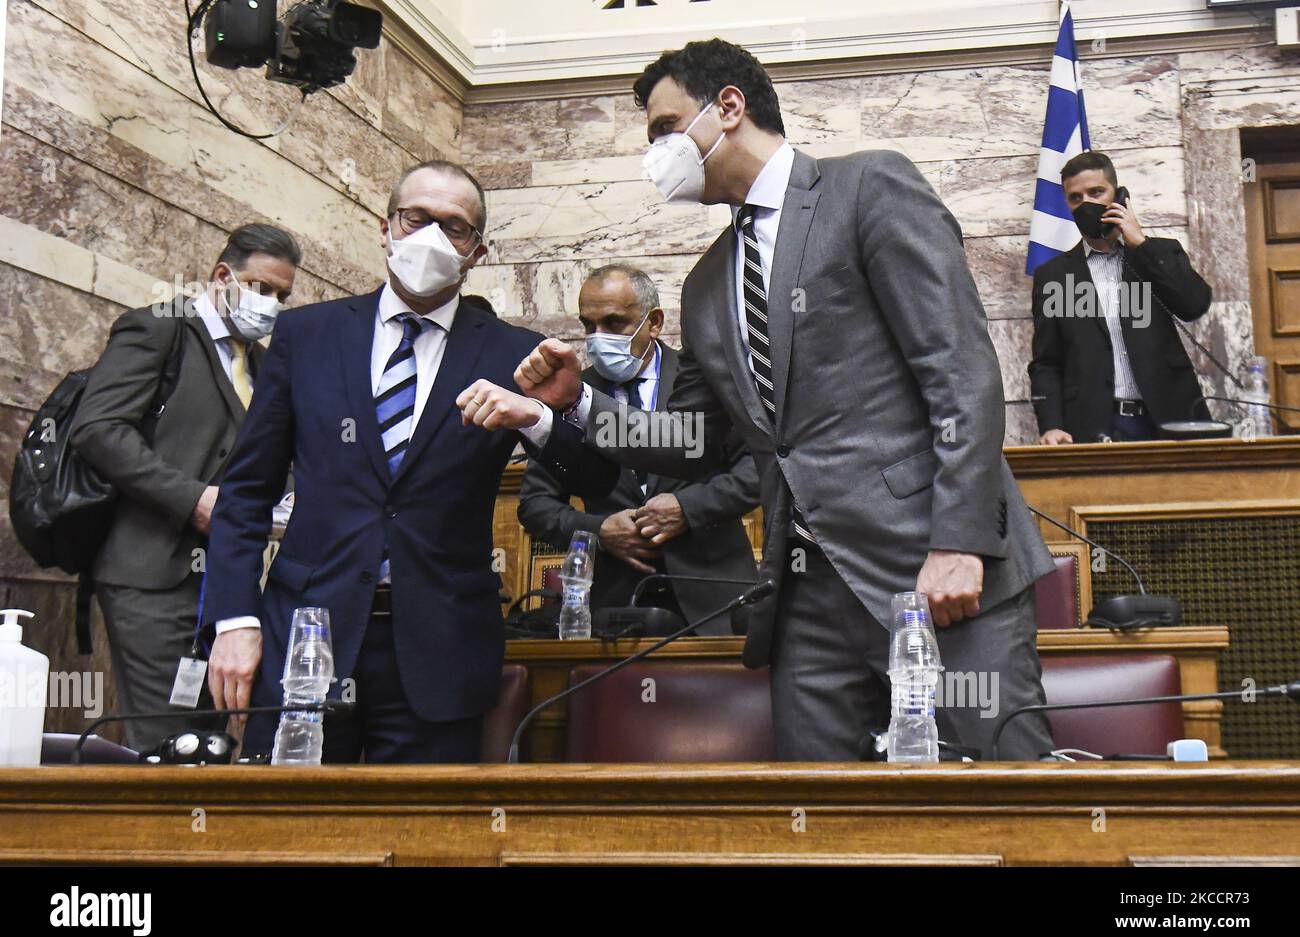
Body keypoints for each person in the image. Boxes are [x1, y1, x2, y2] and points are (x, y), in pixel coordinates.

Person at [461, 39, 1058, 761]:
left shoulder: (867, 187)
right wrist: (566, 409)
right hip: (804, 600)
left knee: (1002, 792)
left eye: (664, 128)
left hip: (931, 571)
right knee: (821, 820)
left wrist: (959, 542)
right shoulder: (707, 286)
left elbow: (959, 369)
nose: (656, 153)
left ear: (729, 108)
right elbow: (697, 442)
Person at [200, 160, 617, 763]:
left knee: (428, 844)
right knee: (289, 835)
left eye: (453, 226)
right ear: (385, 227)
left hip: (441, 647)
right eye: (414, 217)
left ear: (477, 251)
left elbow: (598, 481)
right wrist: (234, 619)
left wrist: (546, 415)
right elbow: (245, 493)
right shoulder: (306, 337)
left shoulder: (514, 353)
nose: (429, 236)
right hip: (307, 638)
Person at [70, 223, 300, 752]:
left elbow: (263, 458)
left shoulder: (264, 365)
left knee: (209, 739)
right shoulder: (159, 330)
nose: (270, 305)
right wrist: (192, 500)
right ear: (223, 276)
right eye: (261, 288)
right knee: (167, 743)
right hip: (149, 573)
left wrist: (289, 497)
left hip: (222, 587)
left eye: (282, 297)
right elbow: (98, 429)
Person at [518, 264, 759, 632]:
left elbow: (755, 470)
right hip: (616, 605)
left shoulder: (706, 379)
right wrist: (601, 532)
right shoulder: (569, 397)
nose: (597, 338)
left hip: (716, 596)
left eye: (614, 324)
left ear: (654, 322)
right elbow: (535, 506)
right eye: (588, 326)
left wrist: (687, 508)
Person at [1029, 150, 1213, 444]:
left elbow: (1194, 304)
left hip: (1168, 419)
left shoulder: (1159, 253)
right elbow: (1046, 362)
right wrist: (1051, 425)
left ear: (1119, 195)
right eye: (1076, 198)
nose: (1086, 203)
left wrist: (1139, 243)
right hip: (1095, 425)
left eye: (1096, 192)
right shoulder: (1054, 276)